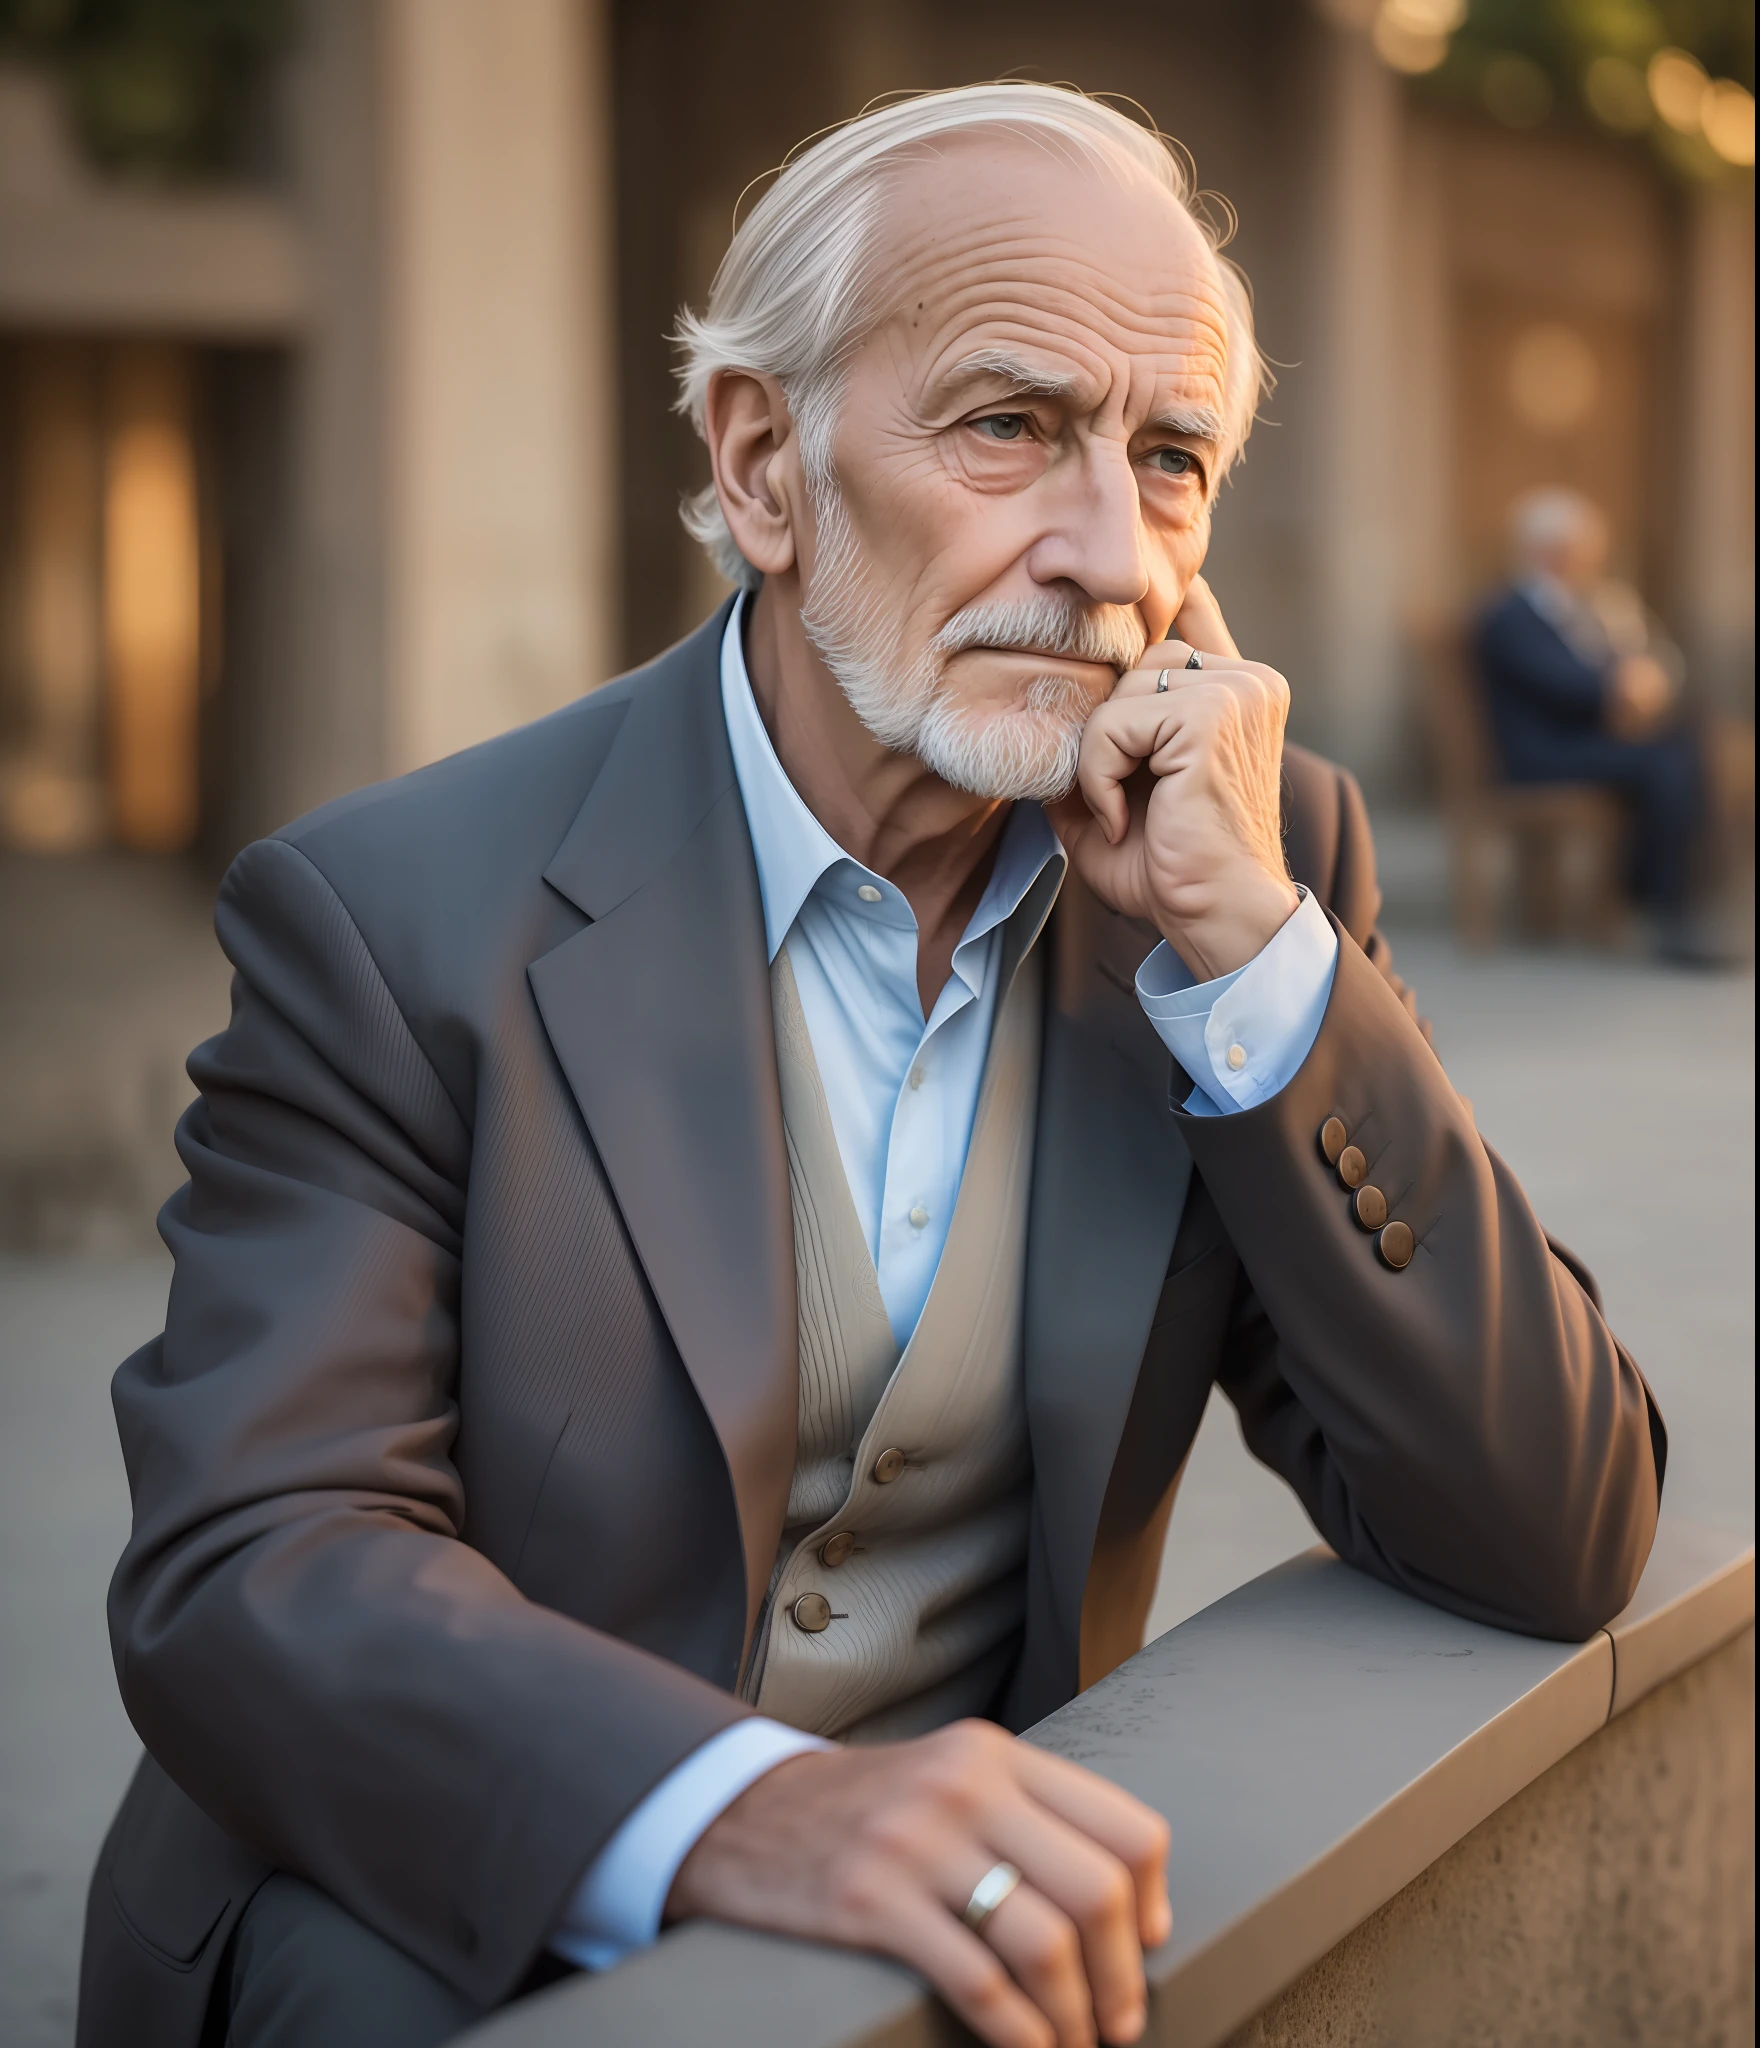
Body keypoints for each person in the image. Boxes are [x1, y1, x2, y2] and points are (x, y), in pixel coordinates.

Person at [78, 85, 1664, 2048]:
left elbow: (1551, 1525)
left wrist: (1251, 957)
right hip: (425, 1897)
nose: (1108, 558)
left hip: (967, 1957)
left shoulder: (1255, 868)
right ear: (763, 466)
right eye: (1010, 426)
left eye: (1168, 459)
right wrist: (756, 1809)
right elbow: (257, 1562)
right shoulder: (390, 917)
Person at [1474, 487, 1713, 961]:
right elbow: (1565, 685)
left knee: (1690, 741)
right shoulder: (1510, 614)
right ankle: (1665, 910)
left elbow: (1619, 666)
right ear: (1553, 551)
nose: (1591, 561)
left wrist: (1635, 672)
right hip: (1539, 755)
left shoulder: (1577, 609)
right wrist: (1623, 683)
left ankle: (1667, 898)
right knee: (1668, 762)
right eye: (1583, 550)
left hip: (1577, 742)